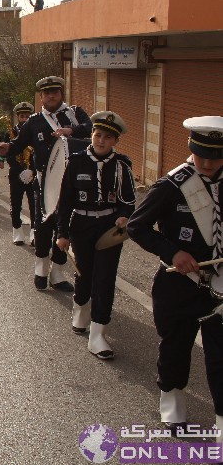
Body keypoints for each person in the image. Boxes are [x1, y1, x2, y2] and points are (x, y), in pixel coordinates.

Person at [128, 116, 223, 435]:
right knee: (176, 346)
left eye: (216, 155)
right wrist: (172, 253)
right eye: (201, 153)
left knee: (221, 358)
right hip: (178, 285)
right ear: (190, 148)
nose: (208, 162)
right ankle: (172, 403)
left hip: (220, 286)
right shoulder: (172, 185)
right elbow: (136, 227)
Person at [0, 76, 92, 292]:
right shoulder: (34, 121)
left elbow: (91, 128)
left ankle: (57, 275)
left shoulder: (75, 114)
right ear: (41, 97)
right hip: (44, 183)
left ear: (61, 94)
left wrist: (72, 131)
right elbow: (19, 144)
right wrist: (7, 148)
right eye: (46, 93)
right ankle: (40, 270)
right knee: (42, 227)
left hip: (73, 185)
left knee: (65, 228)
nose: (51, 96)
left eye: (55, 92)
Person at [55, 112, 136, 360]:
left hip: (109, 229)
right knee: (84, 273)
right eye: (98, 134)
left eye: (108, 137)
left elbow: (129, 200)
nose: (101, 140)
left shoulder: (122, 165)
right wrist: (62, 233)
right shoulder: (76, 162)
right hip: (81, 224)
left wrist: (123, 216)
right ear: (91, 135)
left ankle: (98, 333)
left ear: (115, 141)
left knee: (105, 278)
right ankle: (80, 310)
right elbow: (65, 200)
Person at [7, 102, 37, 245]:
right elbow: (8, 154)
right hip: (16, 173)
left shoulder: (36, 132)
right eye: (22, 116)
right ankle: (17, 231)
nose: (25, 119)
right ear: (18, 117)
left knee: (34, 204)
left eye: (27, 116)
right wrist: (20, 170)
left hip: (33, 173)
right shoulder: (10, 133)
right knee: (16, 203)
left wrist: (32, 170)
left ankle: (34, 232)